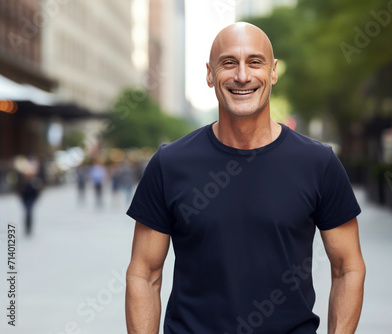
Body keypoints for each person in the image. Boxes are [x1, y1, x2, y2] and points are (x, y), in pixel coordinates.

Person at [125, 22, 365, 334]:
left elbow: (348, 268)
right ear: (210, 74)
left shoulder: (318, 163)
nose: (242, 75)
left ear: (274, 71)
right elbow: (144, 273)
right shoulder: (169, 164)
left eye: (255, 62)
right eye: (228, 63)